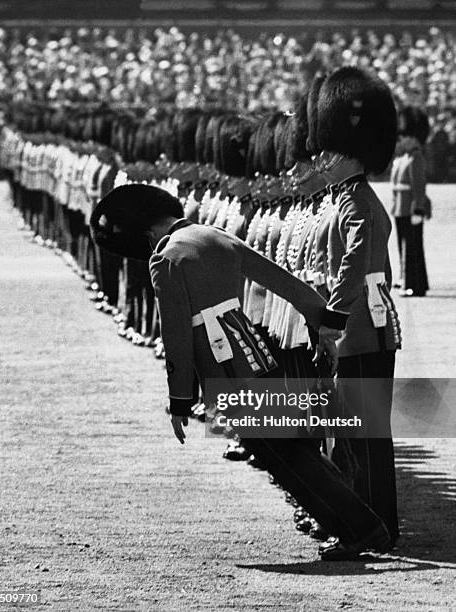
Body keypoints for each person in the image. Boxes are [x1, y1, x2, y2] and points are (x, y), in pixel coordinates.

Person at [90, 182, 392, 560]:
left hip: (225, 367)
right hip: (256, 351)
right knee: (294, 448)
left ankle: (360, 530)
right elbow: (285, 282)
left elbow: (178, 339)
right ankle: (362, 526)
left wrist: (180, 398)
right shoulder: (215, 235)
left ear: (147, 233)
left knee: (285, 458)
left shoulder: (165, 258)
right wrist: (324, 323)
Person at [315, 66, 402, 550]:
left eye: (329, 151)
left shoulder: (359, 204)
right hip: (360, 327)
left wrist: (330, 318)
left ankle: (371, 529)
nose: (322, 161)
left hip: (361, 329)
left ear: (351, 153)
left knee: (364, 436)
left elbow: (354, 266)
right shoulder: (350, 198)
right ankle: (374, 526)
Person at [390, 105, 431, 297]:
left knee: (413, 249)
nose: (402, 140)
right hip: (401, 208)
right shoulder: (403, 158)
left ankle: (415, 284)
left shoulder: (416, 158)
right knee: (404, 248)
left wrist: (419, 209)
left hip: (411, 209)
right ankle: (407, 278)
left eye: (405, 136)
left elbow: (418, 187)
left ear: (414, 137)